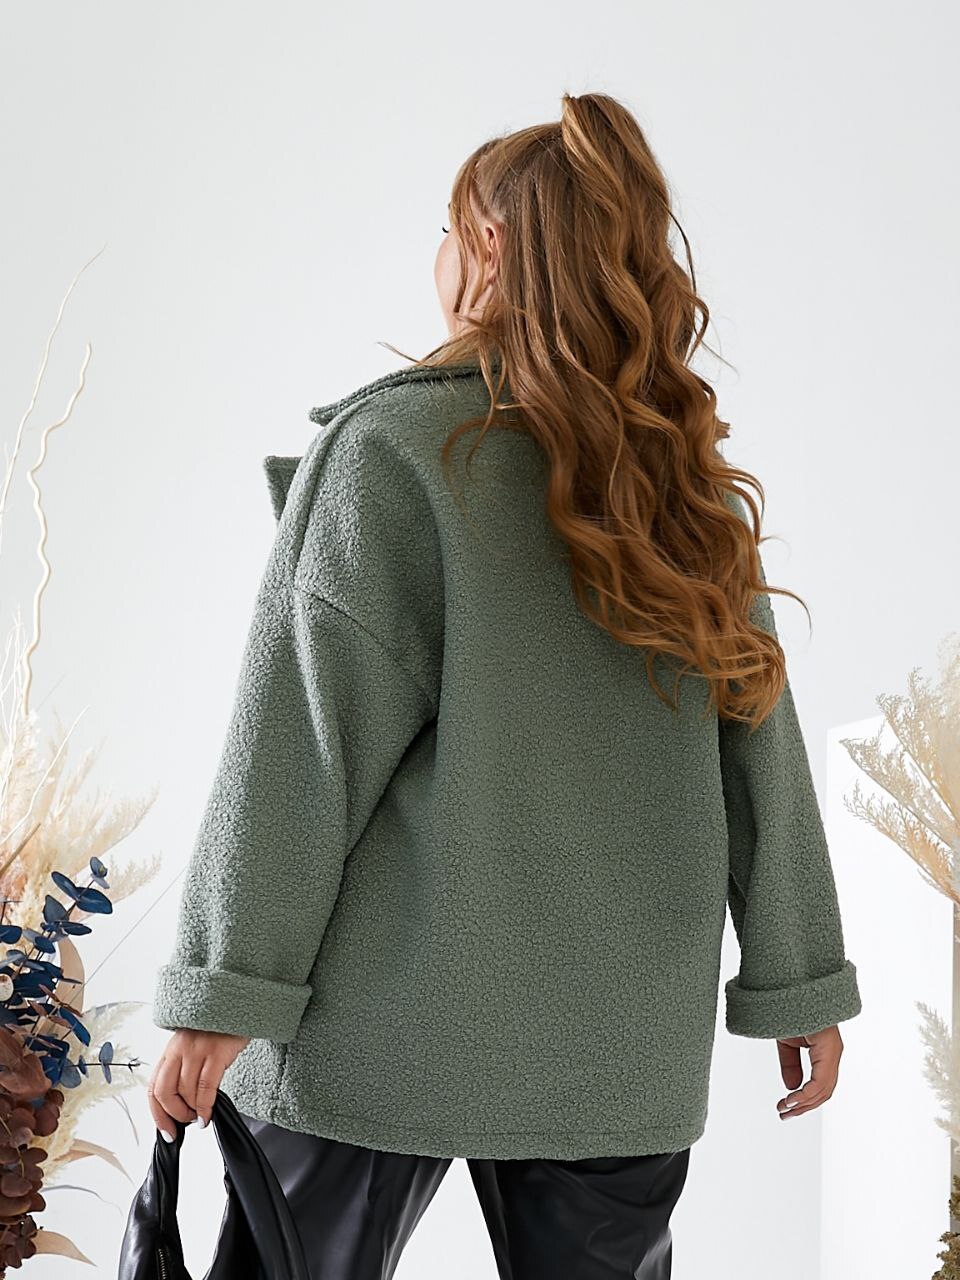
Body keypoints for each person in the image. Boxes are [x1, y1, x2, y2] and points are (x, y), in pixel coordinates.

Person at [147, 90, 862, 1278]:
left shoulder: (391, 454)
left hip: (381, 1023)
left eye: (447, 228)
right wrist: (802, 983)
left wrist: (226, 988)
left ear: (487, 246)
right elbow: (761, 749)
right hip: (615, 1036)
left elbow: (302, 749)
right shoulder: (680, 486)